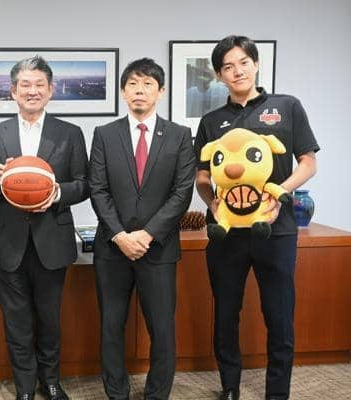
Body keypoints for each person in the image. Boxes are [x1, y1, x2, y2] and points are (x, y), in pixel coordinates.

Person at [193, 36, 319, 400]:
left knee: (279, 316)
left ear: (256, 64)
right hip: (227, 234)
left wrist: (280, 191)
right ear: (219, 75)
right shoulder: (211, 121)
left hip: (276, 230)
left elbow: (308, 162)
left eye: (244, 63)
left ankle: (277, 393)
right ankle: (230, 387)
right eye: (228, 67)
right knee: (225, 314)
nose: (237, 71)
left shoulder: (287, 106)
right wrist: (212, 203)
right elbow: (202, 176)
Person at [0, 56, 89, 400]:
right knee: (17, 322)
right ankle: (24, 387)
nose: (32, 91)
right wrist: (5, 180)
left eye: (39, 84)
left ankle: (50, 382)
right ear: (13, 91)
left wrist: (55, 193)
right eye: (25, 84)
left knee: (50, 320)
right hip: (9, 243)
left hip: (52, 239)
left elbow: (84, 184)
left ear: (51, 90)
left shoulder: (70, 134)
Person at [89, 58, 195, 400]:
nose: (140, 90)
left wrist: (147, 235)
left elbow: (182, 193)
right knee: (111, 327)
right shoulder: (105, 135)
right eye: (133, 84)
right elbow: (98, 189)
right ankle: (116, 394)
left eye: (148, 84)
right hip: (112, 249)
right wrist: (120, 235)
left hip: (158, 249)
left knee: (162, 329)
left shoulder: (179, 136)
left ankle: (156, 394)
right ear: (123, 91)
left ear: (160, 91)